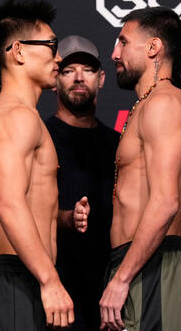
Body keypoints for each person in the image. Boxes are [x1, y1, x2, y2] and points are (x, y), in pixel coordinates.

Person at [0, 0, 86, 330]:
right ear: (19, 52)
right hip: (18, 279)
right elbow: (9, 206)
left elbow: (24, 199)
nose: (58, 57)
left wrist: (63, 219)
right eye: (51, 45)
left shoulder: (21, 116)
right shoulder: (16, 116)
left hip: (27, 276)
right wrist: (50, 281)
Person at [99, 6, 181, 331]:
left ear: (153, 48)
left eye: (123, 42)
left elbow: (166, 201)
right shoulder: (148, 104)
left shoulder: (164, 104)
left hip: (151, 266)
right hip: (134, 263)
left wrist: (122, 278)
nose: (114, 53)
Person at [45, 35, 120, 330]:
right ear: (54, 79)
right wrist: (66, 218)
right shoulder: (39, 137)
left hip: (110, 292)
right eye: (67, 70)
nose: (78, 78)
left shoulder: (119, 144)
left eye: (87, 70)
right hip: (57, 291)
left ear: (101, 79)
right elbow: (18, 211)